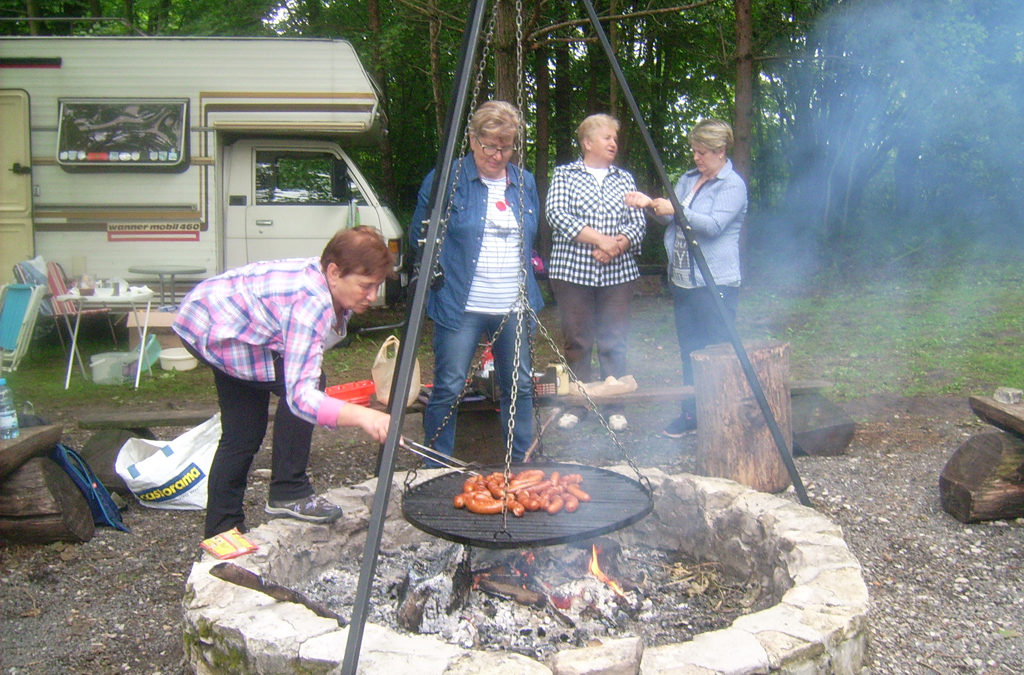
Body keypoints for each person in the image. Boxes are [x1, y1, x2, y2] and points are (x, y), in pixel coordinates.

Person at [172, 226, 395, 538]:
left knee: (246, 429)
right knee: (261, 421)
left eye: (377, 286)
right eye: (365, 286)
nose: (372, 296)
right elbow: (300, 396)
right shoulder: (311, 302)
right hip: (209, 325)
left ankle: (227, 526)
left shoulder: (327, 282)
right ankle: (277, 497)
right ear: (333, 272)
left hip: (229, 322)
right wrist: (363, 415)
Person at [409, 101, 544, 464]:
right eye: (490, 146)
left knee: (520, 386)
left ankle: (520, 465)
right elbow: (418, 238)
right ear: (472, 140)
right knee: (450, 386)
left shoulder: (523, 182)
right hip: (460, 304)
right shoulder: (447, 180)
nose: (498, 155)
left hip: (514, 304)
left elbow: (530, 237)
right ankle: (434, 466)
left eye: (507, 146)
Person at [625, 118, 747, 437]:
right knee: (690, 350)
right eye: (694, 151)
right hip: (683, 281)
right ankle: (691, 414)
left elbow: (713, 225)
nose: (696, 157)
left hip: (715, 282)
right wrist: (649, 204)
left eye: (703, 152)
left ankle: (722, 416)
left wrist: (674, 208)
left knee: (716, 351)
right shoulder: (688, 179)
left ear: (720, 151)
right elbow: (669, 221)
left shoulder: (732, 185)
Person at [545, 113, 646, 432]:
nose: (613, 143)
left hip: (618, 273)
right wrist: (600, 239)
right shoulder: (565, 174)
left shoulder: (624, 179)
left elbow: (638, 221)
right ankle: (578, 403)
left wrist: (617, 245)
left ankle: (614, 404)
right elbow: (556, 214)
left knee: (614, 339)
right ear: (587, 143)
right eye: (607, 137)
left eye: (615, 138)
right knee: (577, 340)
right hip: (572, 272)